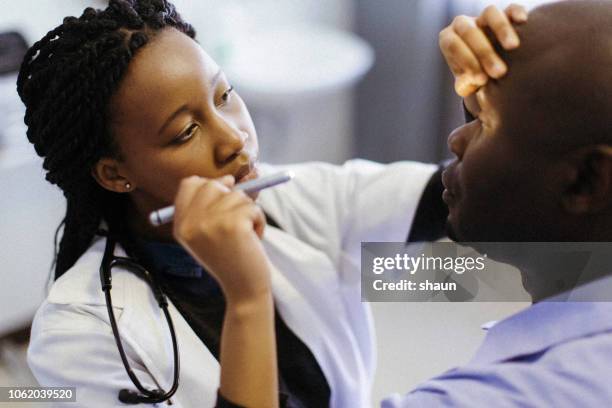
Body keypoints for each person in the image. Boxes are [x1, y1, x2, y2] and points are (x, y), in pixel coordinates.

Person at [18, 0, 523, 407]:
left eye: (224, 96)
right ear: (115, 173)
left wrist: (488, 111)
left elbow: (459, 204)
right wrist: (248, 298)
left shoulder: (299, 200)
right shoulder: (78, 335)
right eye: (186, 131)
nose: (234, 139)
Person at [384, 0, 612, 406]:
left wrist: (249, 303)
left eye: (483, 123)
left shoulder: (531, 391)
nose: (455, 139)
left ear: (585, 180)